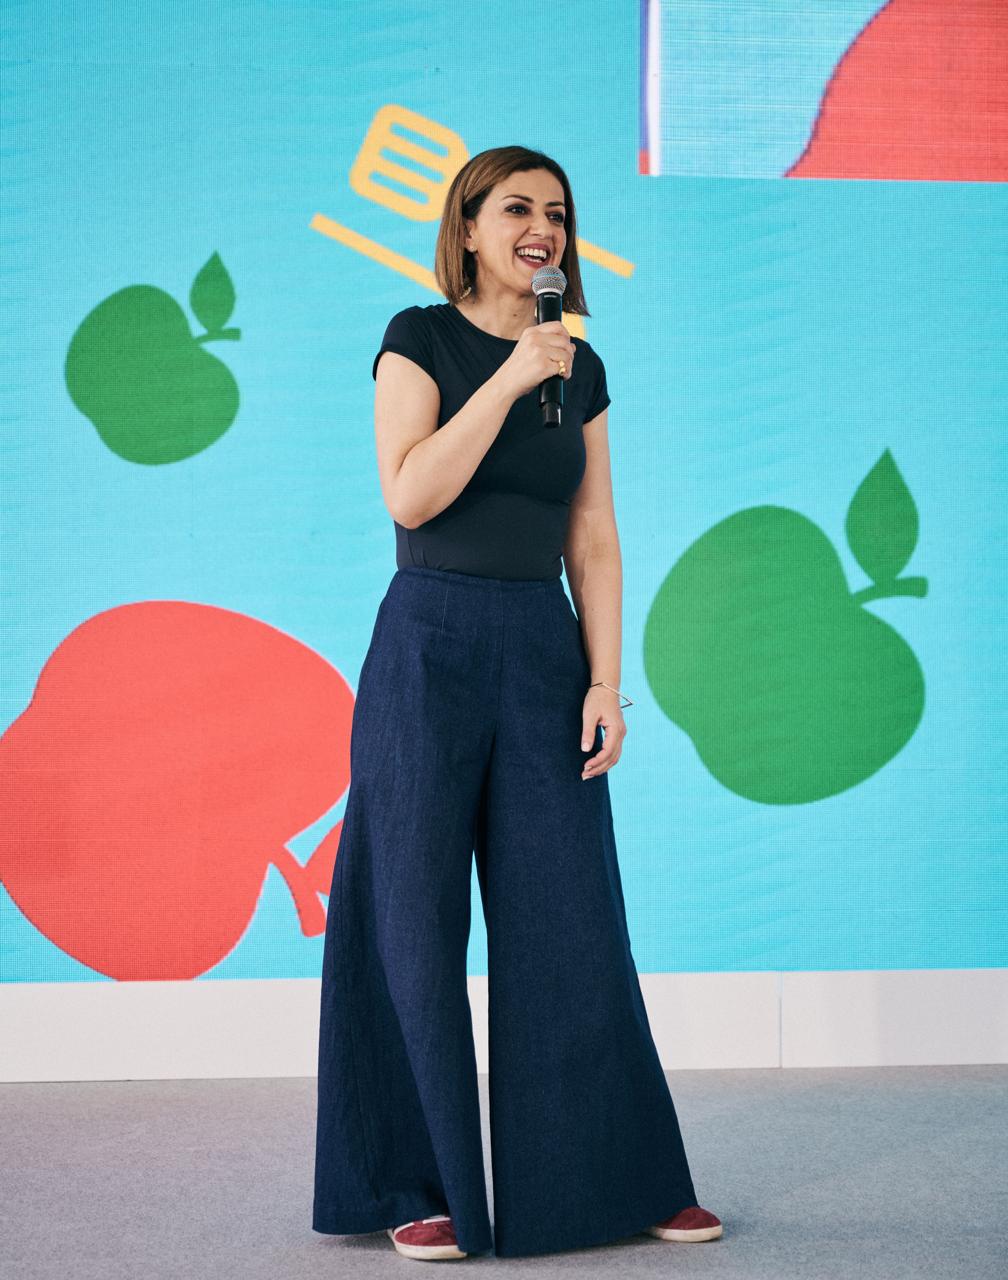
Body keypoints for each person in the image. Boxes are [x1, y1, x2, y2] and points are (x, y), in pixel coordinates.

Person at [312, 145, 723, 1261]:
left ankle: (615, 1179)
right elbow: (411, 493)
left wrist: (603, 680)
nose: (542, 227)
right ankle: (412, 1182)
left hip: (543, 647)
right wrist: (504, 377)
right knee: (409, 916)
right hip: (428, 643)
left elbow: (594, 535)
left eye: (557, 211)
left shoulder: (579, 369)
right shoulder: (419, 338)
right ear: (468, 227)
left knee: (572, 917)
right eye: (516, 208)